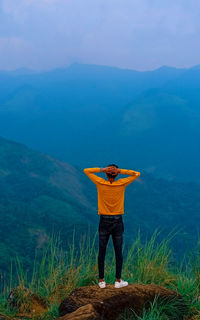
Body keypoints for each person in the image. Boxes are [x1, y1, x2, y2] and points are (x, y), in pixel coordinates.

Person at [83, 164, 141, 289]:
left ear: (106, 174)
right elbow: (136, 174)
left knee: (102, 251)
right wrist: (121, 170)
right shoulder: (121, 183)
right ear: (117, 174)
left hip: (103, 220)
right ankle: (117, 281)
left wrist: (102, 169)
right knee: (118, 251)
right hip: (117, 221)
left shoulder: (100, 183)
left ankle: (101, 281)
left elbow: (86, 170)